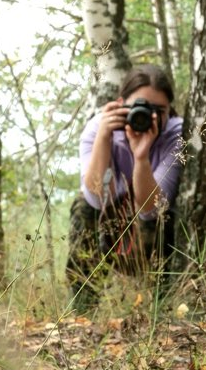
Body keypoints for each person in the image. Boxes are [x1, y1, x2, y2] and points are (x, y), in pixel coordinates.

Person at [67, 65, 184, 312]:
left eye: (158, 111)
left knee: (166, 216)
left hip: (151, 234)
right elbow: (95, 198)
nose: (148, 117)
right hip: (109, 226)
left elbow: (151, 210)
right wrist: (103, 138)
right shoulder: (98, 128)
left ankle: (162, 310)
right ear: (120, 104)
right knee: (81, 207)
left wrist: (141, 157)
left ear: (170, 111)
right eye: (139, 107)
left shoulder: (176, 134)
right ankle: (82, 309)